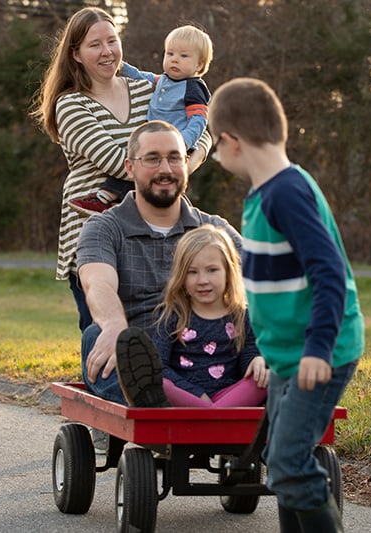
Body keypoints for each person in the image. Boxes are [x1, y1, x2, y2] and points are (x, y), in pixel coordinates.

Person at [208, 77, 365, 533]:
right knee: (282, 465)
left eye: (216, 149)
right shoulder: (266, 193)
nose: (217, 159)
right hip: (287, 360)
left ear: (231, 142)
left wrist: (318, 347)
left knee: (290, 463)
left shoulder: (286, 193)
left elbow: (329, 272)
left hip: (319, 355)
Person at [29, 7, 212, 332]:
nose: (107, 52)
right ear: (76, 54)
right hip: (93, 231)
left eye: (112, 41)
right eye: (94, 45)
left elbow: (204, 133)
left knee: (162, 337)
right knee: (104, 334)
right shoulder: (72, 104)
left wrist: (185, 161)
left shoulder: (146, 91)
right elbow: (116, 161)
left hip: (149, 232)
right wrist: (176, 165)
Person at [76, 120, 239, 406]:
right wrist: (114, 325)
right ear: (130, 167)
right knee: (96, 334)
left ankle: (277, 406)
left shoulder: (212, 230)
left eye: (174, 158)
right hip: (141, 356)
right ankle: (155, 401)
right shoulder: (104, 228)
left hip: (210, 355)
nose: (165, 169)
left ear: (186, 163)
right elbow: (97, 283)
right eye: (152, 159)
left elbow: (265, 277)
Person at [69, 23, 213, 216]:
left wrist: (183, 146)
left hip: (174, 145)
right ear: (76, 54)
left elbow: (200, 123)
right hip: (153, 145)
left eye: (183, 56)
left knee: (140, 162)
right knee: (137, 162)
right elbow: (142, 76)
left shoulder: (193, 88)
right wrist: (120, 65)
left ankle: (104, 199)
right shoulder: (163, 81)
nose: (174, 60)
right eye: (170, 54)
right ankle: (106, 199)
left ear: (199, 65)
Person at [148, 224, 268, 407]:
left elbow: (248, 353)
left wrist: (255, 360)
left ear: (228, 272)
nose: (203, 280)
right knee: (158, 382)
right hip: (186, 398)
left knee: (267, 378)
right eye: (192, 272)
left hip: (229, 396)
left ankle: (209, 417)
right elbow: (160, 365)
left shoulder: (241, 314)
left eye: (212, 270)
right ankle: (214, 417)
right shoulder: (173, 315)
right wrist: (198, 396)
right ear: (181, 276)